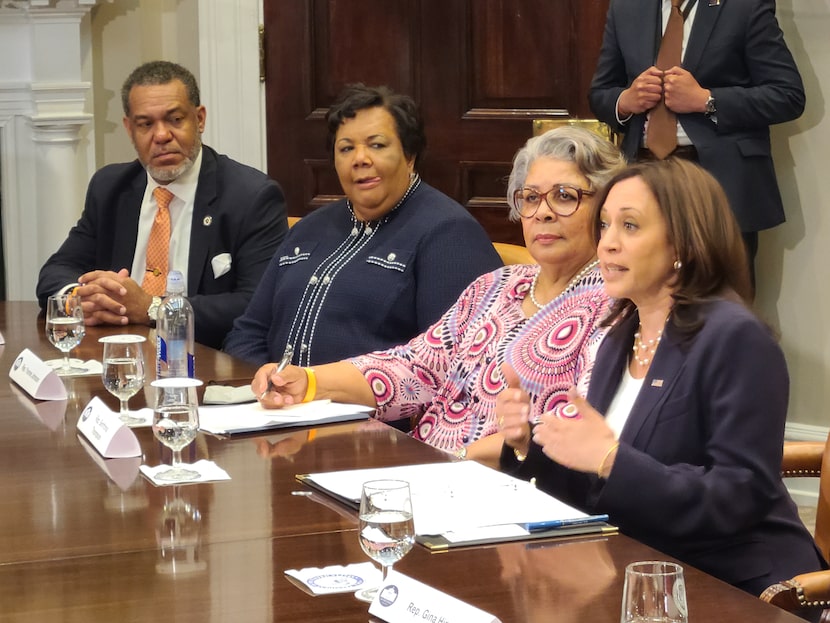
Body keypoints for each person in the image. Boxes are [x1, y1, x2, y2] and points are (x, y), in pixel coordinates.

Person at [497, 159, 827, 612]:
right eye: (606, 224)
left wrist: (611, 458)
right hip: (644, 574)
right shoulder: (620, 336)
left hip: (737, 586)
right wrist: (526, 447)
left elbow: (737, 497)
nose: (607, 243)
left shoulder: (734, 337)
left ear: (683, 243)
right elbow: (602, 491)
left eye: (629, 226)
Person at [251, 126, 626, 458]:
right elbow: (415, 367)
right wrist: (310, 381)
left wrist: (453, 462)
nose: (542, 212)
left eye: (564, 196)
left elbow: (569, 429)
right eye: (530, 198)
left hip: (504, 491)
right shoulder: (497, 285)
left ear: (604, 209)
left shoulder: (614, 305)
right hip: (430, 469)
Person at [223, 84, 501, 368]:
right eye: (346, 148)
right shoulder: (309, 229)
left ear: (410, 156)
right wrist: (258, 385)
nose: (359, 159)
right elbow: (249, 330)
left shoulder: (449, 233)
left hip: (370, 410)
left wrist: (323, 390)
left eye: (377, 145)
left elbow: (451, 361)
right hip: (273, 406)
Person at [36, 60, 287, 349]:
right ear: (130, 129)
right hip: (117, 356)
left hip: (205, 362)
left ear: (200, 119)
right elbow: (56, 271)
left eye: (175, 120)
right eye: (146, 124)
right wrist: (82, 298)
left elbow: (257, 302)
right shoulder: (110, 188)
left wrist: (153, 307)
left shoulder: (250, 196)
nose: (161, 136)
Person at [588, 0, 804, 281]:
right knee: (641, 291)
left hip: (719, 180)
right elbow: (600, 93)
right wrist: (626, 101)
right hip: (644, 172)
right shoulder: (626, 7)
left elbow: (787, 95)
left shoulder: (745, 6)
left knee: (722, 300)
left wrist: (707, 101)